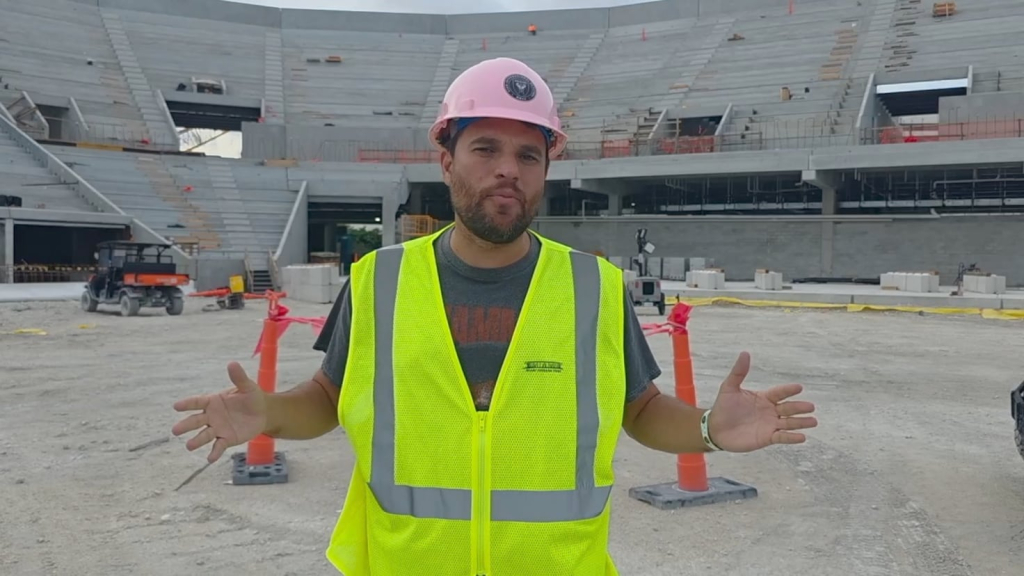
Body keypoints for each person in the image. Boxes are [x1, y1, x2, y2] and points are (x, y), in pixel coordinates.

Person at [171, 57, 818, 575]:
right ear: (447, 157)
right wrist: (271, 414)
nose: (508, 170)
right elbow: (328, 397)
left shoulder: (593, 286)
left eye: (528, 155)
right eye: (486, 148)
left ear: (546, 171)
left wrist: (707, 426)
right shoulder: (380, 281)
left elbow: (641, 410)